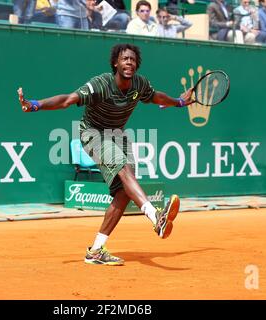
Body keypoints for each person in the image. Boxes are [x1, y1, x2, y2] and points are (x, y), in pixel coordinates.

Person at [17, 43, 192, 265]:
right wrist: (35, 105)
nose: (129, 62)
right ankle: (156, 217)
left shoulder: (140, 84)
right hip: (93, 134)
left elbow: (156, 97)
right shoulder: (100, 84)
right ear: (115, 63)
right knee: (122, 168)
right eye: (124, 59)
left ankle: (96, 250)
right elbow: (67, 100)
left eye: (132, 59)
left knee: (123, 192)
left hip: (117, 134)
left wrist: (178, 102)